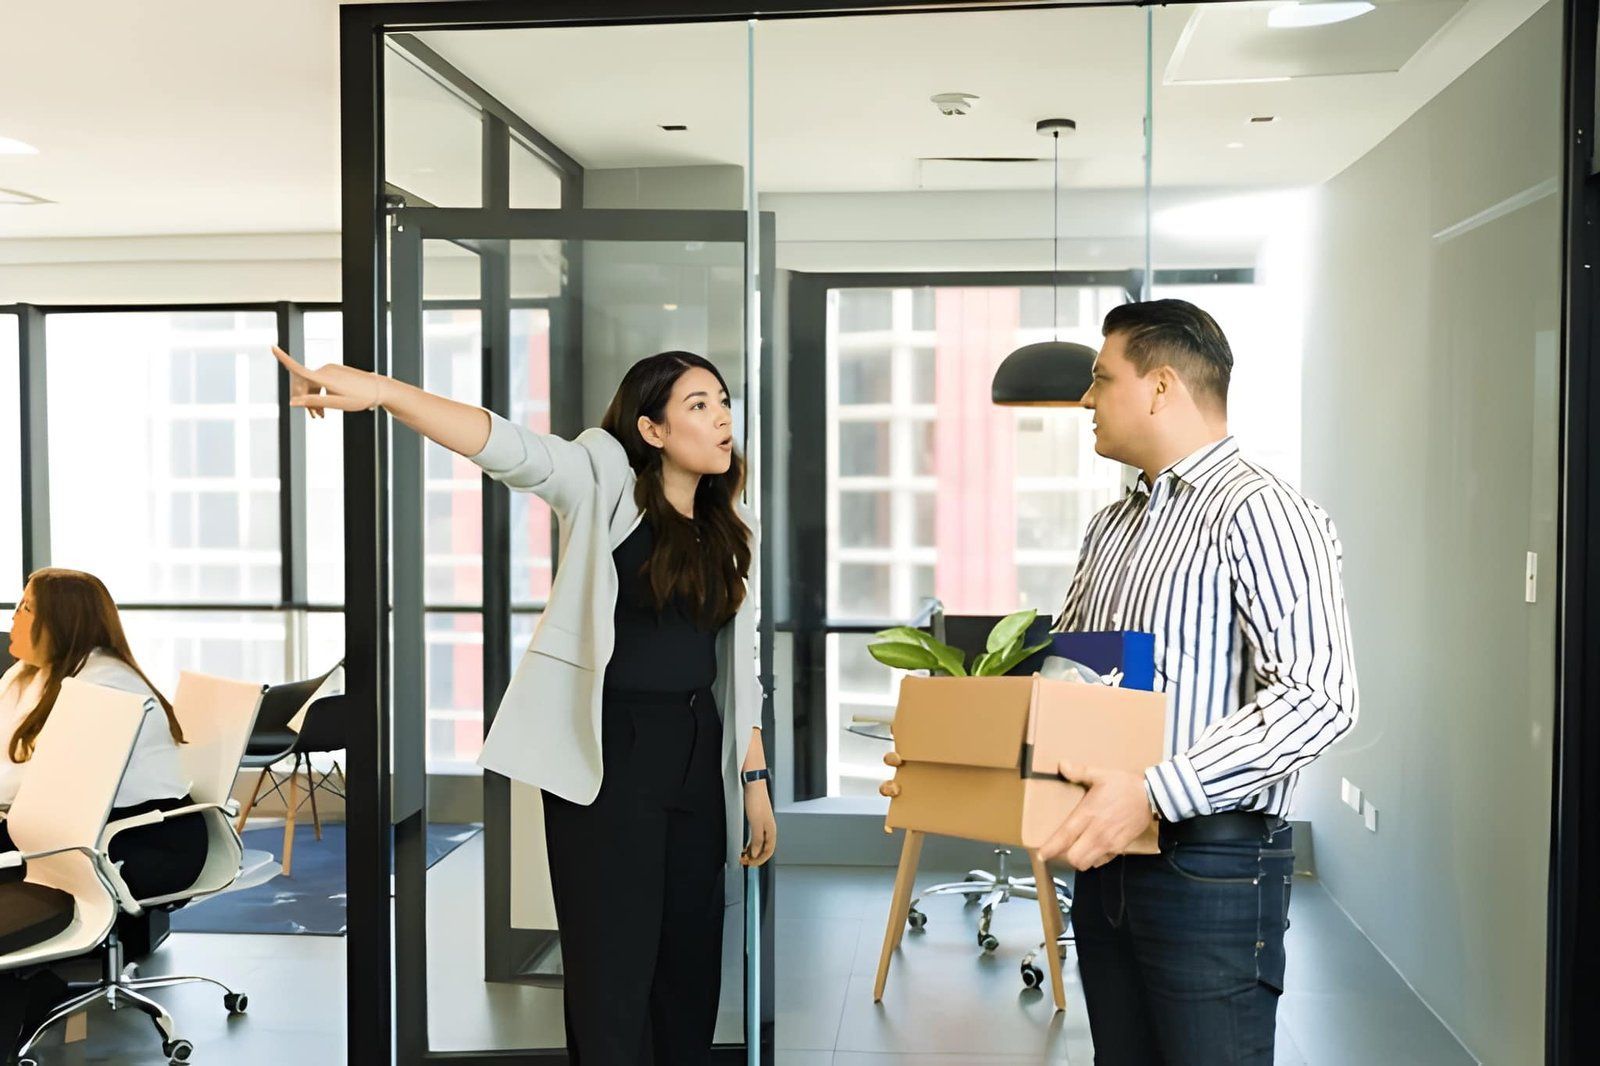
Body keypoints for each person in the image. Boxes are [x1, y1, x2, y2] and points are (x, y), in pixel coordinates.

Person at [273, 344, 776, 1065]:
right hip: (612, 758)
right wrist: (383, 392)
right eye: (699, 405)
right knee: (613, 976)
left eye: (723, 402)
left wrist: (751, 782)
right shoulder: (602, 478)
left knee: (690, 967)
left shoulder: (733, 528)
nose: (722, 418)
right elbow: (505, 445)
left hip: (700, 751)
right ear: (653, 430)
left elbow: (740, 670)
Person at [1038, 300, 1359, 1065]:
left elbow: (1320, 698)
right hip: (1110, 864)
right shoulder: (1111, 527)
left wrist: (1153, 791)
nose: (1086, 400)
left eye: (1099, 378)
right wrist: (962, 766)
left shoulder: (1262, 510)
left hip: (1209, 867)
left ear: (1159, 387)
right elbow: (1080, 682)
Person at [0, 568, 209, 1054]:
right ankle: (30, 985)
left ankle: (23, 991)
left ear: (62, 622)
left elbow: (35, 777)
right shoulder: (26, 676)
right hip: (72, 821)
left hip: (144, 838)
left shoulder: (107, 686)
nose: (13, 617)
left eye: (26, 608)